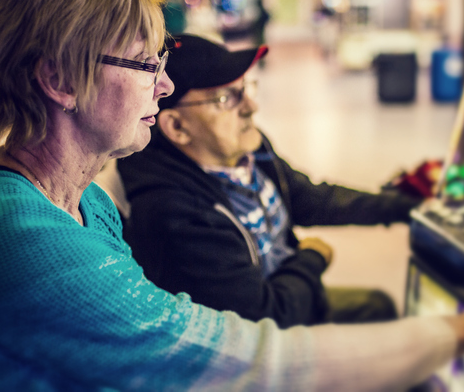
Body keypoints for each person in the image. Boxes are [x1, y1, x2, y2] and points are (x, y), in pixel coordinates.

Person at [0, 0, 464, 391]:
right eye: (144, 65)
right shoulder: (15, 238)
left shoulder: (88, 202)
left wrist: (408, 202)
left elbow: (307, 198)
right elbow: (248, 358)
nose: (164, 85)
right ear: (58, 79)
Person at [117, 34, 427, 328]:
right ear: (176, 126)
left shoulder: (247, 150)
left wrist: (403, 207)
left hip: (293, 295)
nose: (251, 107)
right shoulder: (173, 211)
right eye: (226, 98)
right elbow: (266, 318)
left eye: (246, 89)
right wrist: (312, 258)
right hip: (260, 349)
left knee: (377, 306)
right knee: (376, 309)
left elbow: (307, 197)